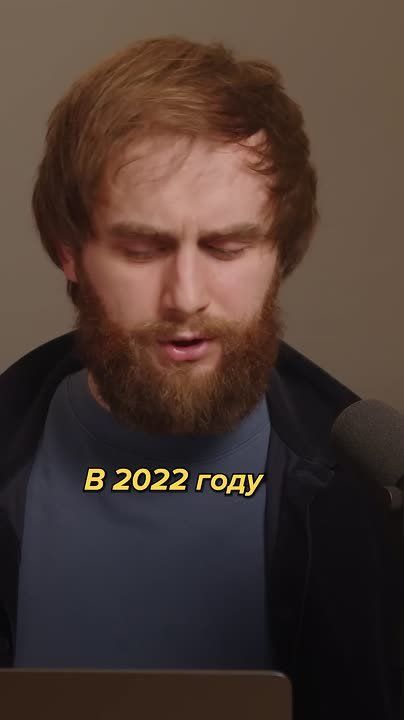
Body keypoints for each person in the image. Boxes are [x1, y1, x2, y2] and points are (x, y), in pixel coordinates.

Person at [0, 36, 400, 719]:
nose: (186, 296)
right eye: (141, 248)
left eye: (228, 247)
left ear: (280, 254)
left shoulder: (365, 500)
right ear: (69, 252)